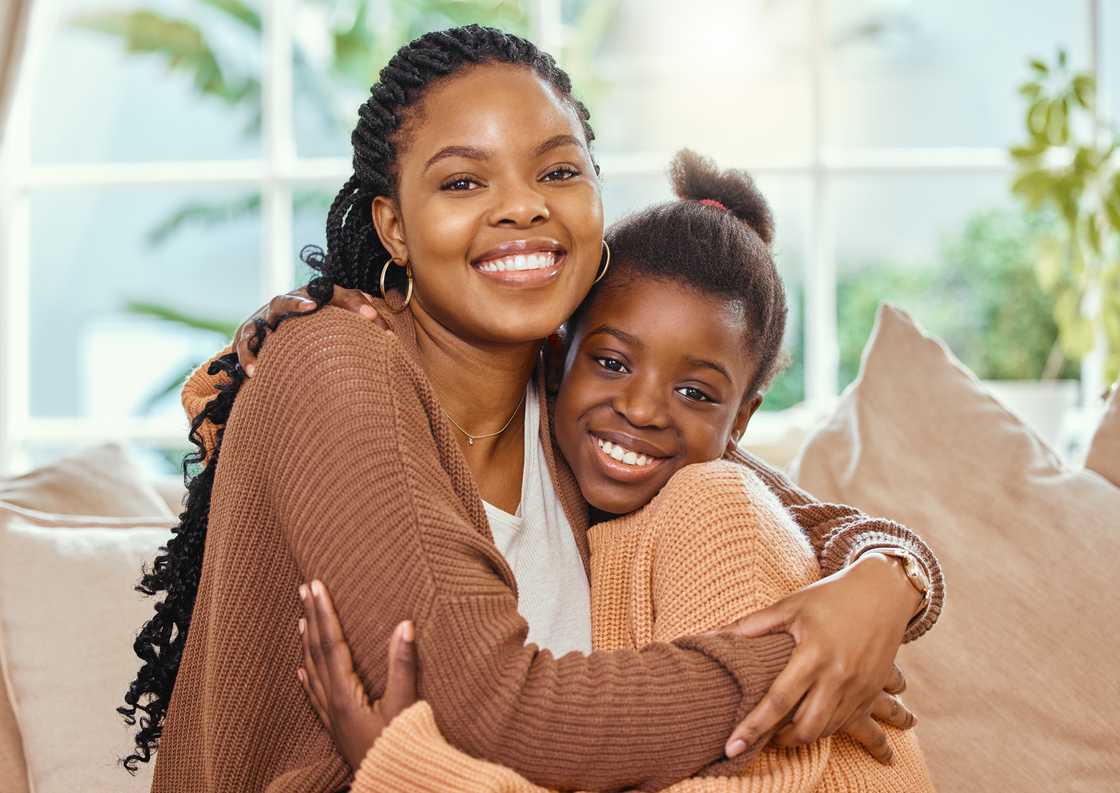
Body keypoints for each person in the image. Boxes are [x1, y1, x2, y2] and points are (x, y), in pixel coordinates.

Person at [120, 26, 942, 793]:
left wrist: (889, 579)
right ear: (394, 227)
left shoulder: (573, 398)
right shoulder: (335, 360)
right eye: (462, 181)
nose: (523, 207)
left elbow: (803, 516)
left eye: (557, 172)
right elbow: (497, 711)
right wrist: (802, 663)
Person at [291, 149, 936, 792]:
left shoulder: (714, 507)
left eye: (695, 393)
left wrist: (406, 769)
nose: (642, 408)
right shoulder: (578, 458)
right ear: (557, 355)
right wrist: (294, 329)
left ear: (739, 423)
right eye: (612, 363)